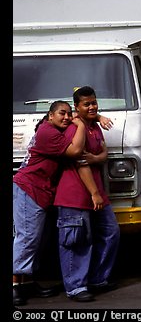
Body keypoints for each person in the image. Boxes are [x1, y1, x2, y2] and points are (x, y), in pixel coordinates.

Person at [12, 101, 92, 306]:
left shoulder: (50, 129)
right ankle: (14, 285)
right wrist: (81, 125)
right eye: (61, 114)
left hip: (40, 191)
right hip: (29, 188)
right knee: (27, 238)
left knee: (36, 239)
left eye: (68, 114)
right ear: (50, 116)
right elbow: (75, 152)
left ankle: (28, 282)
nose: (66, 117)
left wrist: (96, 118)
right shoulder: (48, 133)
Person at [54, 86, 120, 302]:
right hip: (75, 195)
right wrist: (94, 192)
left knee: (111, 232)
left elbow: (102, 151)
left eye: (94, 103)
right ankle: (76, 287)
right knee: (77, 241)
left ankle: (98, 279)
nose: (92, 107)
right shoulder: (75, 128)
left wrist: (98, 158)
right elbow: (81, 162)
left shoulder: (94, 127)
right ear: (76, 107)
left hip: (96, 194)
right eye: (86, 104)